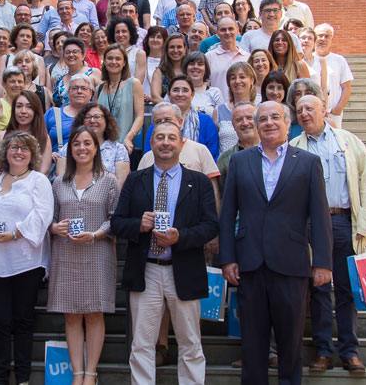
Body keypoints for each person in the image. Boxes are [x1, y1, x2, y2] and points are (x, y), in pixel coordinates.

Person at [218, 101, 332, 385]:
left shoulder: (308, 162)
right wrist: (228, 258)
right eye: (263, 119)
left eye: (275, 117)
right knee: (252, 344)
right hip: (250, 265)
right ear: (257, 125)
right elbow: (228, 213)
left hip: (291, 265)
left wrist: (322, 263)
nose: (269, 123)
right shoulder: (239, 162)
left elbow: (320, 216)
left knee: (290, 345)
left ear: (287, 124)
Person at [111, 119, 219, 385]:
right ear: (151, 144)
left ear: (182, 144)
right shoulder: (135, 180)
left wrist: (181, 237)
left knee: (190, 342)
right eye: (160, 137)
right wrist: (139, 224)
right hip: (146, 270)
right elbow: (117, 223)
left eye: (172, 137)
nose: (166, 143)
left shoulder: (199, 182)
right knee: (142, 343)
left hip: (184, 269)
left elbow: (210, 226)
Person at [292, 94, 366, 374]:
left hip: (343, 221)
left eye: (310, 108)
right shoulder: (293, 147)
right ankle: (323, 351)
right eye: (299, 110)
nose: (304, 113)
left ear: (324, 111)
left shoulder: (349, 142)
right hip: (310, 225)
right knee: (318, 288)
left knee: (346, 289)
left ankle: (350, 352)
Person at [0, 132, 53, 385]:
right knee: (0, 321)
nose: (19, 152)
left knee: (24, 321)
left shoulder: (38, 180)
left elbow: (43, 214)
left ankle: (23, 378)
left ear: (32, 154)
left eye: (24, 148)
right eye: (14, 147)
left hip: (27, 262)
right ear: (5, 151)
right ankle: (1, 378)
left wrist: (15, 234)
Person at [49, 126, 119, 385]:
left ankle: (90, 373)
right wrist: (54, 228)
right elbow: (50, 219)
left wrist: (95, 234)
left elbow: (116, 219)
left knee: (94, 313)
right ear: (70, 149)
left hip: (97, 252)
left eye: (87, 143)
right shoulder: (59, 182)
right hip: (65, 253)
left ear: (96, 148)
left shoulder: (109, 180)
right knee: (71, 314)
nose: (82, 148)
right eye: (76, 143)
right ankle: (77, 373)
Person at [144, 76, 220, 160]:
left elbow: (212, 155)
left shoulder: (205, 121)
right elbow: (149, 155)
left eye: (185, 90)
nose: (180, 94)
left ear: (192, 94)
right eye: (175, 90)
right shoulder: (159, 121)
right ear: (169, 95)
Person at [56, 104, 130, 188]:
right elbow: (62, 180)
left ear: (106, 121)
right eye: (87, 117)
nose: (92, 120)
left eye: (97, 117)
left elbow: (119, 183)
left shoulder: (119, 149)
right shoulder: (68, 147)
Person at [96, 43, 144, 153]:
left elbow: (139, 116)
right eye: (110, 58)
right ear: (104, 62)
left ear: (124, 63)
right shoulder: (99, 89)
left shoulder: (133, 84)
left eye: (118, 59)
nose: (114, 62)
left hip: (126, 146)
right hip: (103, 148)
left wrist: (128, 138)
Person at [0, 91, 52, 175]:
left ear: (35, 111)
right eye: (19, 106)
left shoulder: (44, 138)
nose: (23, 111)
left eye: (29, 107)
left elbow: (43, 171)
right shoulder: (2, 136)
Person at [214, 62, 258, 154]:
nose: (237, 81)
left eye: (242, 77)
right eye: (233, 78)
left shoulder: (260, 109)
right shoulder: (219, 111)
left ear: (252, 80)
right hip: (227, 161)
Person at [315, 23, 353, 128]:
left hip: (332, 113)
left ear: (331, 39)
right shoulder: (308, 60)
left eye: (327, 36)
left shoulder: (339, 60)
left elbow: (346, 87)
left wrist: (338, 109)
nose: (323, 39)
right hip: (313, 112)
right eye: (320, 35)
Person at [216, 101, 259, 193]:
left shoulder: (272, 153)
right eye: (239, 120)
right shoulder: (225, 159)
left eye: (249, 118)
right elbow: (223, 195)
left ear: (258, 121)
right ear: (233, 125)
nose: (245, 123)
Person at [46, 74, 94, 154]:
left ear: (90, 94)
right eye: (75, 88)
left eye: (84, 88)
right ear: (68, 92)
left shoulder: (97, 117)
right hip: (57, 160)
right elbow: (38, 140)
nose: (79, 91)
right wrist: (49, 154)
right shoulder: (53, 113)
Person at [207, 17, 250, 103]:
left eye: (231, 29)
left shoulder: (247, 57)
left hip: (243, 106)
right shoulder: (209, 57)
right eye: (223, 30)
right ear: (217, 33)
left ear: (237, 30)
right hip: (218, 107)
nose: (227, 32)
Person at [0, 24, 49, 94]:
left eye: (28, 36)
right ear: (15, 39)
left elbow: (41, 84)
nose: (25, 38)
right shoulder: (6, 58)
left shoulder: (39, 59)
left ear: (32, 40)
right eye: (22, 36)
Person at [53, 38, 101, 107]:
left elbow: (104, 98)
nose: (71, 55)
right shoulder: (60, 80)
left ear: (83, 56)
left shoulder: (93, 73)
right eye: (67, 52)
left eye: (75, 52)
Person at [107, 16, 146, 85]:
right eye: (117, 32)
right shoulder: (109, 53)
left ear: (130, 33)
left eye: (124, 31)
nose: (120, 35)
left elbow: (138, 82)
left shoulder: (139, 53)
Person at [185, 51, 223, 118]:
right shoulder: (177, 91)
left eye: (200, 64)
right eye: (191, 64)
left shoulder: (215, 93)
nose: (195, 67)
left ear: (206, 69)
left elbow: (221, 119)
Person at [151, 33, 187, 104]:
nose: (175, 50)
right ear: (167, 50)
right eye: (172, 47)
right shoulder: (160, 72)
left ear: (185, 49)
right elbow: (155, 97)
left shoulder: (190, 70)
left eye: (179, 47)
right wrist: (171, 107)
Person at [298, 26, 329, 103]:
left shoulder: (321, 61)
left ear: (314, 42)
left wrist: (325, 107)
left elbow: (324, 88)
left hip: (316, 102)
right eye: (303, 38)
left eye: (310, 38)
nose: (306, 41)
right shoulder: (294, 61)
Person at [142, 26, 168, 103]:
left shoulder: (168, 63)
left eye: (159, 37)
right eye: (152, 37)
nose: (155, 40)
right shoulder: (141, 59)